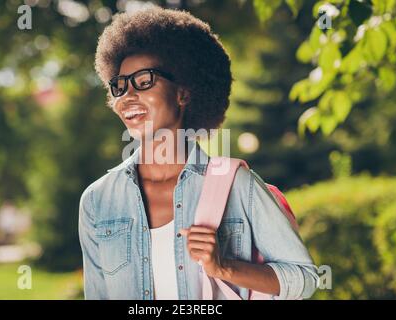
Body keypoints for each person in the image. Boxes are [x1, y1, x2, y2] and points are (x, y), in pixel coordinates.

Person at [79, 6, 319, 300]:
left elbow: (305, 279)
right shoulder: (97, 200)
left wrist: (224, 267)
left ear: (183, 93)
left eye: (144, 81)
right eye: (119, 86)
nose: (127, 96)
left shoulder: (236, 185)